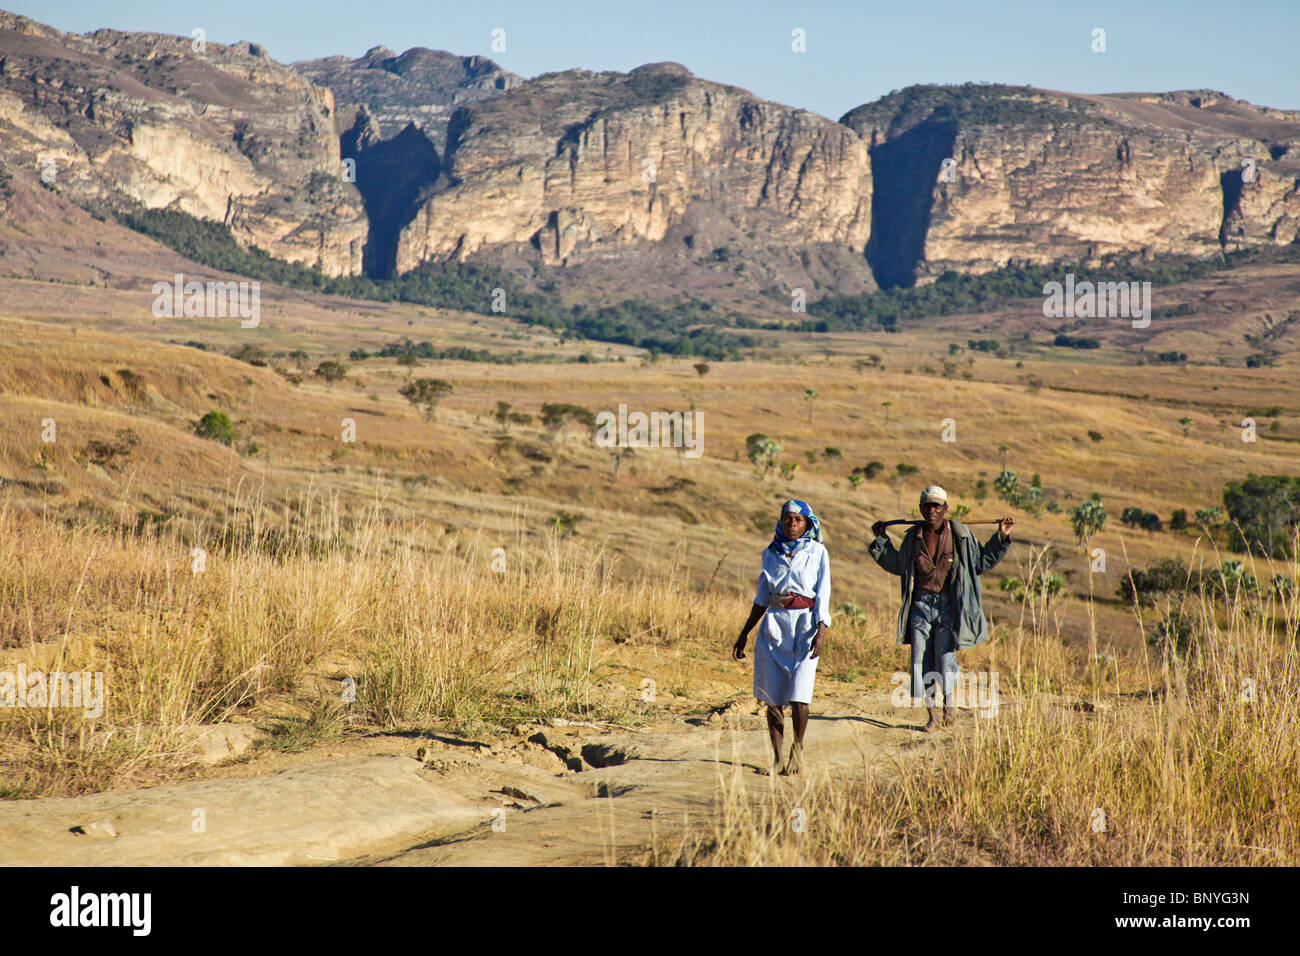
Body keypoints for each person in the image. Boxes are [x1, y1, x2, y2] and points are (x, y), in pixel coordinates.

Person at [868, 485, 1013, 732]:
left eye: (937, 505)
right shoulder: (913, 538)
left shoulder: (961, 535)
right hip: (921, 607)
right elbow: (897, 564)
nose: (932, 509)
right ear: (921, 509)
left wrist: (1001, 537)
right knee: (920, 660)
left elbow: (980, 562)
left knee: (945, 659)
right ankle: (933, 717)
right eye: (927, 505)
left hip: (948, 606)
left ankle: (950, 709)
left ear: (946, 508)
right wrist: (881, 538)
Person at [733, 499, 831, 775]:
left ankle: (796, 752)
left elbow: (823, 592)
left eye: (798, 520)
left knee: (800, 695)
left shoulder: (817, 552)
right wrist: (744, 634)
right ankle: (777, 759)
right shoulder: (770, 553)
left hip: (806, 627)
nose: (792, 524)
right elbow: (762, 597)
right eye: (787, 519)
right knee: (774, 698)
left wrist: (821, 629)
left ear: (807, 524)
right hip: (773, 628)